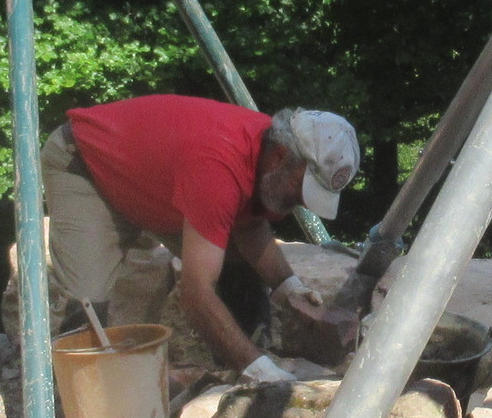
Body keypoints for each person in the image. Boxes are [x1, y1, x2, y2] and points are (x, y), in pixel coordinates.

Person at [42, 94, 358, 384]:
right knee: (86, 305)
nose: (303, 201)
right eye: (303, 187)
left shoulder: (270, 159)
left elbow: (249, 226)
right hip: (87, 166)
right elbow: (196, 294)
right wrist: (258, 370)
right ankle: (63, 409)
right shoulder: (219, 167)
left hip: (155, 182)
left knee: (236, 265)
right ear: (280, 156)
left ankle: (236, 374)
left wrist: (291, 289)